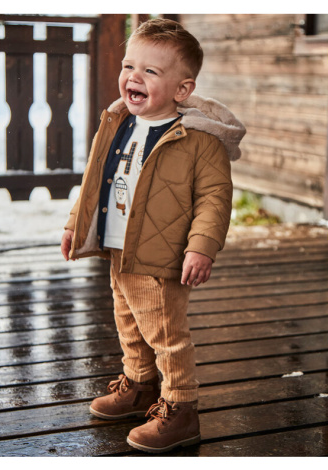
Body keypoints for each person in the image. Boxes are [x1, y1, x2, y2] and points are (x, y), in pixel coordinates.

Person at [61, 18, 245, 454]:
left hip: (163, 255)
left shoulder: (200, 141)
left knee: (165, 333)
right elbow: (93, 179)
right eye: (129, 66)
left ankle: (181, 408)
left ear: (182, 89)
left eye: (150, 71)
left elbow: (215, 200)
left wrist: (201, 247)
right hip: (120, 249)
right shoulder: (118, 121)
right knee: (128, 321)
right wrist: (74, 223)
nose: (133, 77)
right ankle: (140, 385)